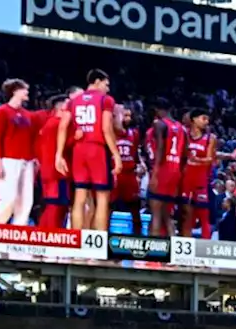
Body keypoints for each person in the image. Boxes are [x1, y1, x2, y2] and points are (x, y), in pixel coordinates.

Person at [57, 69, 121, 231]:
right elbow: (106, 128)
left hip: (79, 151)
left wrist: (59, 154)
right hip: (97, 149)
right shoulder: (105, 100)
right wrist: (116, 155)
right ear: (97, 81)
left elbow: (63, 126)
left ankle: (77, 242)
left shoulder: (74, 101)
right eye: (106, 84)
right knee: (102, 198)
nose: (108, 88)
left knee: (79, 197)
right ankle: (97, 245)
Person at [0, 78, 39, 225]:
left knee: (25, 199)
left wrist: (35, 158)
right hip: (9, 160)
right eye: (24, 89)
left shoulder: (28, 114)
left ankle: (19, 230)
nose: (27, 92)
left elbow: (32, 138)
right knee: (8, 197)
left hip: (28, 160)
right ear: (15, 91)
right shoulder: (2, 111)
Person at [35, 89, 80, 230]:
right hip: (57, 172)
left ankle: (45, 238)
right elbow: (64, 145)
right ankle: (51, 240)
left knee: (53, 206)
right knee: (56, 207)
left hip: (49, 171)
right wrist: (76, 137)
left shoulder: (49, 123)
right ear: (62, 108)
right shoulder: (58, 124)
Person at [147, 100, 187, 238]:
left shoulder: (159, 124)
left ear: (158, 110)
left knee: (156, 214)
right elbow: (184, 155)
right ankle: (173, 255)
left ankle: (154, 255)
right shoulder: (181, 128)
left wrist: (155, 173)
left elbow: (160, 149)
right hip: (175, 171)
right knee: (167, 215)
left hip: (163, 170)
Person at [180, 109, 217, 239]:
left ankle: (205, 249)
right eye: (204, 118)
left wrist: (197, 160)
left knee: (203, 217)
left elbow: (210, 159)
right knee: (186, 217)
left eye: (207, 119)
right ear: (194, 119)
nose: (207, 122)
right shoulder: (184, 135)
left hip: (200, 180)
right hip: (186, 180)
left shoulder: (210, 138)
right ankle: (185, 249)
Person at [113, 107, 144, 237]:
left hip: (129, 174)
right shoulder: (110, 132)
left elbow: (135, 154)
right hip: (114, 174)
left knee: (135, 209)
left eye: (129, 116)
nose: (128, 119)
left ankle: (138, 238)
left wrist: (140, 164)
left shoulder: (134, 133)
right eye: (125, 116)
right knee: (109, 207)